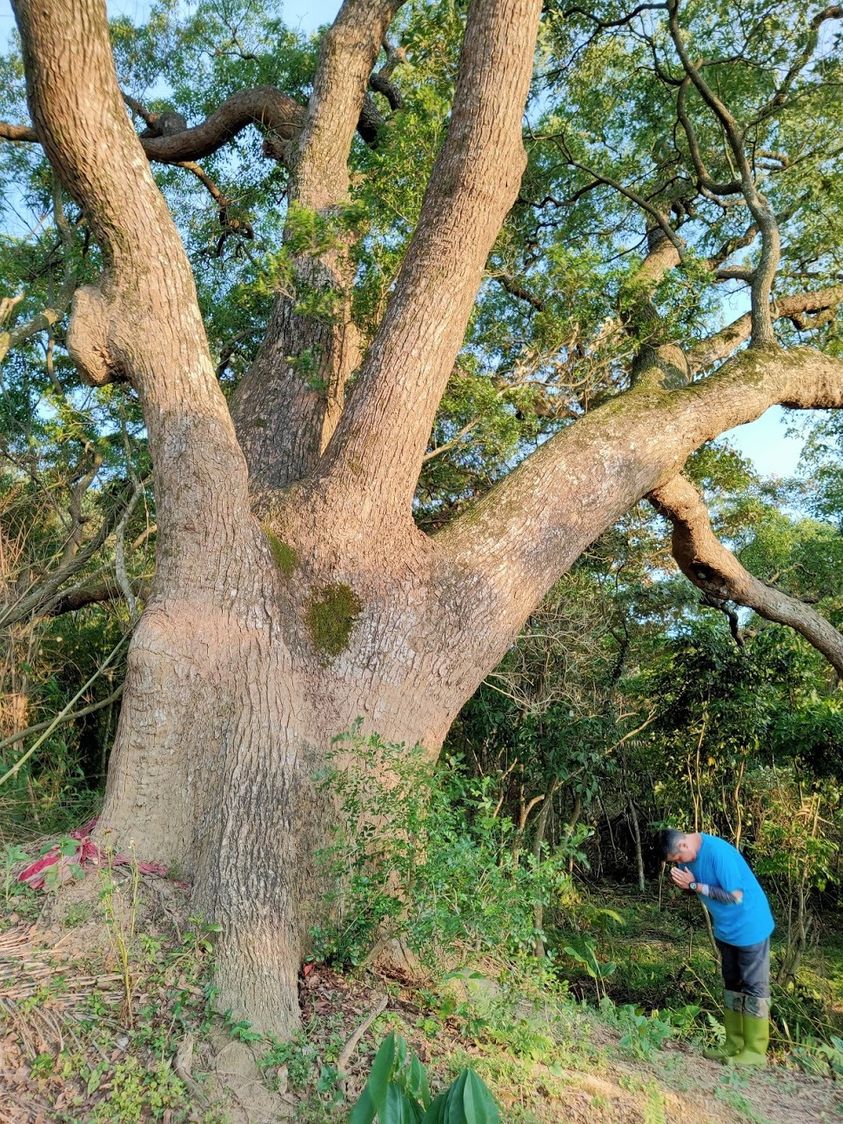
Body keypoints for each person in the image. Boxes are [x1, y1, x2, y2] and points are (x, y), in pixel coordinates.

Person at [657, 828, 774, 1066]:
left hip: (750, 926)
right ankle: (734, 1042)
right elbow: (698, 888)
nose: (678, 864)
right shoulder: (686, 858)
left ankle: (755, 1051)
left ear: (683, 845)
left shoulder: (718, 853)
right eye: (674, 862)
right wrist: (686, 886)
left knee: (754, 986)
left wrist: (694, 886)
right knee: (732, 984)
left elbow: (735, 896)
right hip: (725, 930)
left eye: (677, 859)